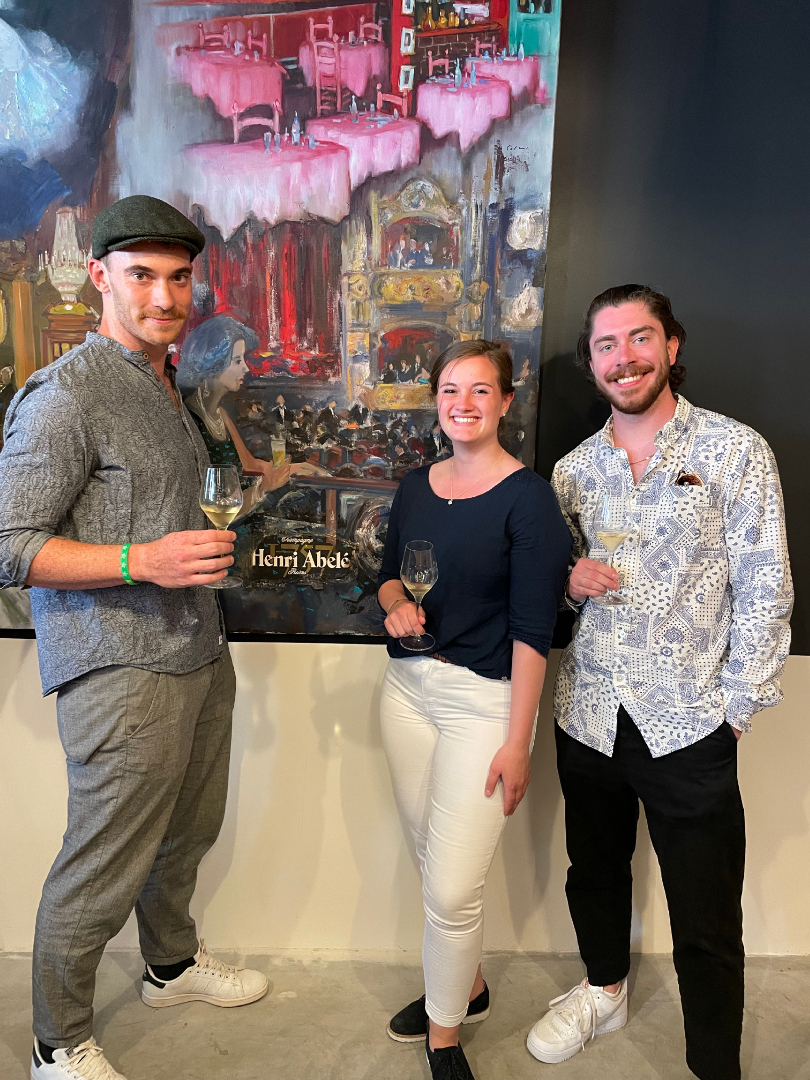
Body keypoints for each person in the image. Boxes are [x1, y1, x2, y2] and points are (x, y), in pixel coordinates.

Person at [0, 195, 271, 1080]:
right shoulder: (65, 393)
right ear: (100, 277)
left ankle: (170, 966)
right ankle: (55, 1042)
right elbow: (9, 546)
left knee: (188, 831)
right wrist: (140, 559)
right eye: (143, 275)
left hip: (198, 648)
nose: (164, 296)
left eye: (179, 277)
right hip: (119, 666)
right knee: (102, 861)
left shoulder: (169, 385)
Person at [528, 284, 793, 1080]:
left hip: (690, 722)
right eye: (606, 345)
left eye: (639, 338)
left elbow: (767, 585)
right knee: (593, 874)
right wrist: (566, 582)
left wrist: (736, 707)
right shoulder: (572, 471)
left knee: (706, 915)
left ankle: (713, 1063)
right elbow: (548, 587)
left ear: (671, 346)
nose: (624, 358)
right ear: (592, 364)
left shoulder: (734, 451)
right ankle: (604, 990)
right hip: (587, 713)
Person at [378, 340, 572, 1080]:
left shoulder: (529, 499)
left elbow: (533, 631)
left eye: (480, 390)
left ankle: (445, 1036)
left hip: (483, 703)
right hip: (406, 692)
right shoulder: (415, 486)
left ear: (505, 402)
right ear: (436, 400)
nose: (463, 404)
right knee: (431, 860)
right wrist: (395, 606)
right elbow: (389, 577)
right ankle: (471, 985)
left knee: (455, 888)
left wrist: (518, 742)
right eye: (450, 390)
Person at [176, 314, 290, 517]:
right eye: (237, 360)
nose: (246, 367)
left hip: (240, 521)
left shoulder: (220, 415)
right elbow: (209, 511)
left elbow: (251, 465)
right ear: (213, 365)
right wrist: (262, 488)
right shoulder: (188, 421)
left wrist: (300, 468)